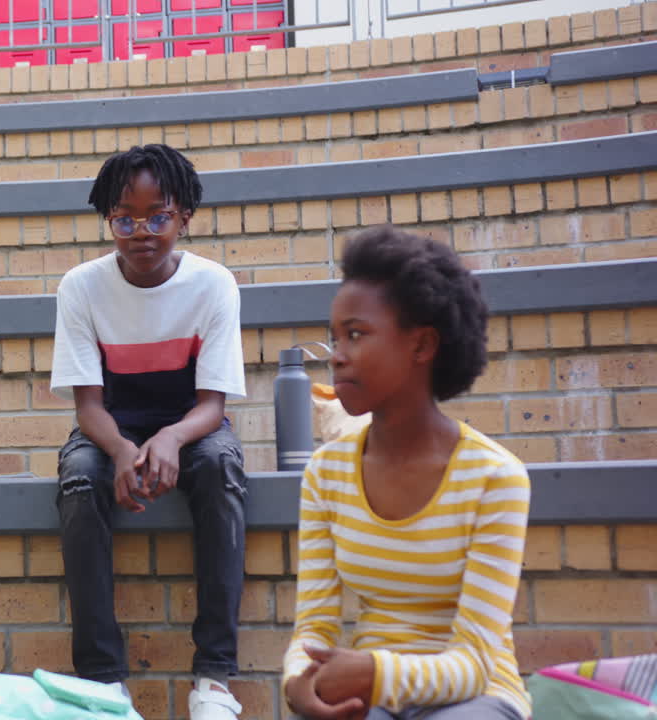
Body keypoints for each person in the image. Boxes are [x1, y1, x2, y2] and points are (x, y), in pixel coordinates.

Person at [283, 226, 531, 720]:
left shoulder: (494, 478)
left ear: (422, 345)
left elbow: (476, 661)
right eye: (334, 338)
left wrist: (377, 673)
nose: (336, 355)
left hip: (475, 696)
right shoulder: (326, 473)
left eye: (356, 334)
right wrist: (298, 684)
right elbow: (313, 625)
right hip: (367, 694)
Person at [51, 144, 249, 720]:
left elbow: (213, 405)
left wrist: (172, 439)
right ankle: (101, 683)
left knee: (220, 467)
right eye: (124, 219)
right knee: (81, 479)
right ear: (108, 221)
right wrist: (118, 449)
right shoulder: (81, 287)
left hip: (192, 422)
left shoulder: (213, 285)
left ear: (185, 216)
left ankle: (213, 679)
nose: (142, 232)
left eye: (158, 216)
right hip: (109, 425)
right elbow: (88, 406)